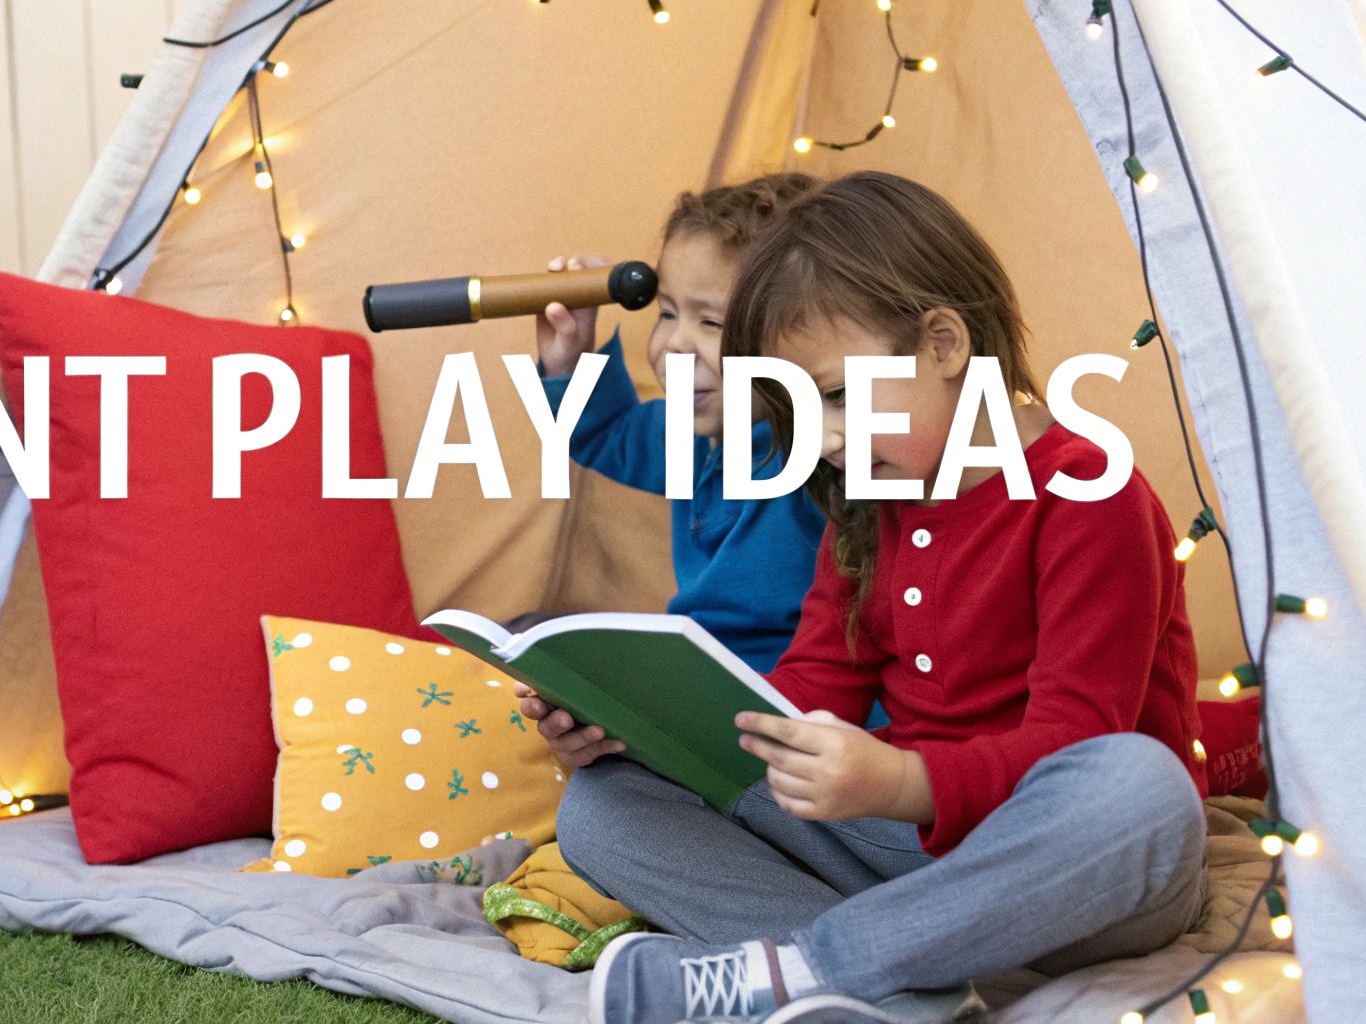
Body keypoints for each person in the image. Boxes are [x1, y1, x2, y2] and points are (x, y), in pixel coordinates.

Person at [536, 172, 1209, 1024]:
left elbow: (1077, 741)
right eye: (791, 410)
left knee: (1139, 786)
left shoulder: (1088, 495)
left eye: (840, 396)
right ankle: (909, 996)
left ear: (943, 342)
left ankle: (814, 965)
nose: (819, 440)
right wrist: (632, 721)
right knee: (602, 807)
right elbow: (810, 691)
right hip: (911, 855)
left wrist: (900, 780)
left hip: (1076, 877)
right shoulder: (865, 494)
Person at [515, 174, 833, 766]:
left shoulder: (826, 455)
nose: (673, 346)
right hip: (703, 699)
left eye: (711, 322)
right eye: (665, 314)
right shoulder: (697, 436)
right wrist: (573, 358)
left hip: (803, 720)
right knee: (595, 777)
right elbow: (603, 435)